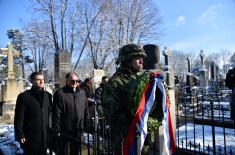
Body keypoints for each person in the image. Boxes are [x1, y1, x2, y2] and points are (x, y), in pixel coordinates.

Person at [102, 44, 147, 154]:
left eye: (142, 58)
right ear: (127, 60)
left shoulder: (139, 79)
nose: (141, 61)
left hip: (141, 137)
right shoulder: (115, 83)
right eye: (137, 58)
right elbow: (112, 115)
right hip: (125, 140)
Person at [14, 71, 52, 155]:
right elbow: (19, 117)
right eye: (38, 79)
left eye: (42, 79)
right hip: (30, 136)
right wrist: (20, 134)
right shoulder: (23, 97)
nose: (41, 81)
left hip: (44, 136)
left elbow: (49, 114)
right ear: (32, 81)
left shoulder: (48, 96)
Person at [52, 72, 87, 155]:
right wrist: (57, 129)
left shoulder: (82, 93)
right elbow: (57, 113)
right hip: (65, 129)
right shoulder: (60, 93)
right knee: (63, 151)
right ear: (67, 81)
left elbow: (85, 110)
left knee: (75, 150)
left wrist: (85, 124)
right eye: (72, 81)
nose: (75, 83)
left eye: (77, 81)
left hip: (78, 128)